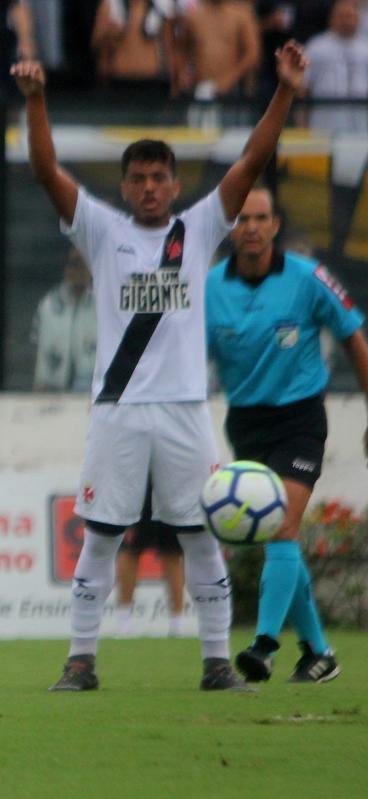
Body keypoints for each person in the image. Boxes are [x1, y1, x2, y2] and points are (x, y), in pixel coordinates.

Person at [11, 40, 309, 692]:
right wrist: (35, 102)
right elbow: (44, 170)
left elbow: (253, 159)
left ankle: (214, 661)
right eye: (138, 179)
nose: (149, 188)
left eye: (159, 178)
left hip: (184, 407)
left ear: (175, 185)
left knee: (202, 536)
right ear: (124, 188)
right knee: (100, 535)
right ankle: (80, 659)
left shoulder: (199, 229)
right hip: (118, 408)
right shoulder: (99, 229)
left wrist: (284, 89)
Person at [206, 187, 368, 683]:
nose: (251, 227)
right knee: (280, 540)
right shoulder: (210, 287)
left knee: (280, 528)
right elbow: (189, 358)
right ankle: (319, 653)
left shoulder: (307, 278)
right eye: (242, 219)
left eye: (261, 218)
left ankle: (264, 645)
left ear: (275, 225)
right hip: (246, 422)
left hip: (299, 418)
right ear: (230, 228)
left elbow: (353, 338)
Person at [115, 484, 186, 638]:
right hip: (138, 487)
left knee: (172, 553)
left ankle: (177, 624)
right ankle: (124, 623)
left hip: (169, 484)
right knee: (129, 550)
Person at [32, 249, 95, 392]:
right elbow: (37, 346)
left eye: (85, 265)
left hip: (90, 390)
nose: (80, 271)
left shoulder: (100, 305)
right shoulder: (48, 305)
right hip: (54, 387)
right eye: (75, 264)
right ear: (66, 269)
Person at [302, 0, 368, 133]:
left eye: (349, 16)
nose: (345, 21)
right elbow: (303, 87)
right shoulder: (316, 46)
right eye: (341, 16)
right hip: (324, 123)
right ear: (331, 18)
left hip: (361, 125)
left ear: (357, 18)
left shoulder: (365, 48)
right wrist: (302, 124)